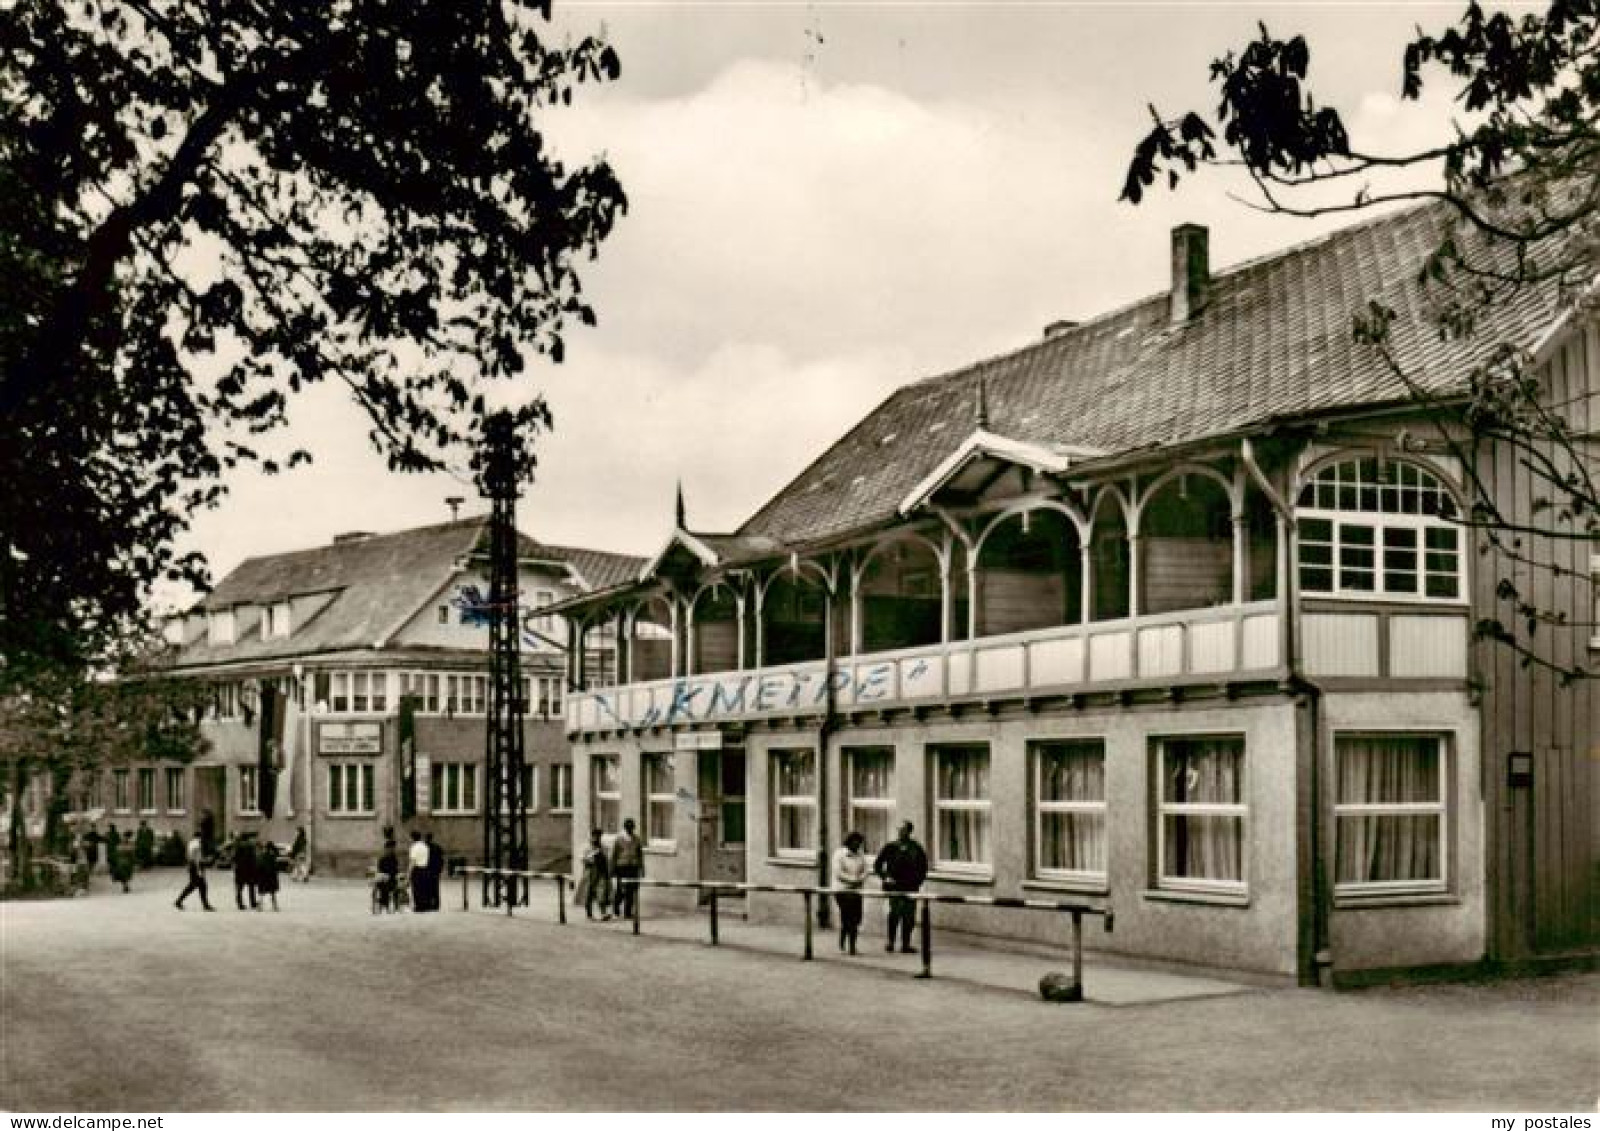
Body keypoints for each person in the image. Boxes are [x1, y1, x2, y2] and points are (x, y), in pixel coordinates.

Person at [874, 821, 928, 954]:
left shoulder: (916, 848)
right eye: (899, 829)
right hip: (894, 886)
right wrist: (885, 877)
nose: (901, 832)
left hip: (911, 887)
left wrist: (918, 881)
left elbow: (923, 867)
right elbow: (878, 865)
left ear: (909, 831)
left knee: (909, 916)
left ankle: (906, 944)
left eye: (904, 830)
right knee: (894, 914)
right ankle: (890, 942)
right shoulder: (891, 846)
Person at [832, 831, 869, 955]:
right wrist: (852, 880)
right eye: (855, 842)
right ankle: (847, 945)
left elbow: (865, 869)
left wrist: (861, 879)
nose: (857, 845)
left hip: (856, 890)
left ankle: (849, 942)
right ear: (849, 842)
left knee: (857, 918)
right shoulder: (839, 854)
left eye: (859, 843)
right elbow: (838, 872)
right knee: (848, 917)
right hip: (842, 890)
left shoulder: (860, 855)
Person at [610, 818, 644, 921]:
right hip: (622, 867)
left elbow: (640, 855)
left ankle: (627, 912)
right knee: (621, 890)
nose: (630, 830)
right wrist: (612, 870)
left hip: (633, 867)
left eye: (631, 828)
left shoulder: (637, 839)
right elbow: (614, 855)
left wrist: (641, 869)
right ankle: (616, 908)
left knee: (632, 890)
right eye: (628, 828)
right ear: (625, 828)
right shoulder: (619, 840)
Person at [575, 828, 611, 921]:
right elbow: (582, 858)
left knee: (601, 892)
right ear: (592, 836)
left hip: (601, 871)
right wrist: (591, 856)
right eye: (595, 836)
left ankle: (603, 913)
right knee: (588, 893)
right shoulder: (586, 847)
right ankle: (589, 914)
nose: (597, 838)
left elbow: (607, 859)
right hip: (590, 872)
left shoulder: (604, 847)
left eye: (599, 836)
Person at [174, 831, 214, 910]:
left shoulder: (191, 843)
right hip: (196, 867)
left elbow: (189, 856)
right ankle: (179, 901)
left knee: (199, 886)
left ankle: (205, 905)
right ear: (199, 837)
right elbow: (197, 858)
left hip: (192, 866)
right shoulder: (197, 845)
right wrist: (204, 863)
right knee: (196, 886)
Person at [233, 832, 259, 910]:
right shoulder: (250, 847)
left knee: (240, 887)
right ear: (248, 839)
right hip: (249, 870)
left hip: (240, 870)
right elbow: (253, 859)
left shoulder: (238, 846)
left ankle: (240, 903)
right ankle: (253, 903)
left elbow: (235, 858)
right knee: (251, 887)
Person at [407, 831, 430, 912]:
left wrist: (408, 873)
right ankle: (425, 905)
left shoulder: (414, 847)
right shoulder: (425, 846)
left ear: (412, 838)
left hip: (417, 870)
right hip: (425, 869)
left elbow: (412, 861)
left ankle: (419, 906)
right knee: (424, 888)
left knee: (416, 889)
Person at [376, 838, 401, 911]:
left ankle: (394, 905)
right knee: (385, 886)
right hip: (385, 879)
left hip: (391, 879)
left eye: (393, 848)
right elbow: (380, 870)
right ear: (387, 848)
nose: (393, 849)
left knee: (395, 886)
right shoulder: (383, 858)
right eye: (392, 848)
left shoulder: (394, 858)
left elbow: (396, 869)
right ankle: (385, 904)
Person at [257, 839, 282, 911]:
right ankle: (275, 906)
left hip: (263, 876)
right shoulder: (273, 856)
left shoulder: (262, 855)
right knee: (273, 892)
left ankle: (260, 906)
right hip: (271, 876)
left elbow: (259, 866)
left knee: (262, 892)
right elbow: (276, 867)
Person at [424, 832, 444, 913]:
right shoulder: (437, 847)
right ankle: (436, 904)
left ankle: (428, 903)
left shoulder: (425, 848)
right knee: (435, 888)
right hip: (435, 871)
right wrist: (440, 869)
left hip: (427, 870)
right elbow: (441, 859)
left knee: (427, 888)